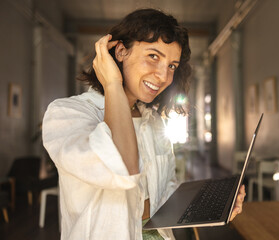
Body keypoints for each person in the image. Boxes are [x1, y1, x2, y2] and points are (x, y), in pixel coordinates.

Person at [42, 8, 246, 240]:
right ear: (120, 51)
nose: (163, 76)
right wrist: (112, 84)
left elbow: (165, 192)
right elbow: (121, 168)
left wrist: (212, 206)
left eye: (172, 66)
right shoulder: (67, 113)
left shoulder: (154, 122)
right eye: (153, 56)